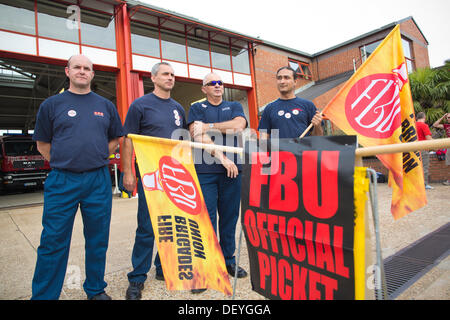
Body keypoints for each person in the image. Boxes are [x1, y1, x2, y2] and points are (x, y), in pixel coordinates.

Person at [31, 54, 124, 300]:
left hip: (98, 181)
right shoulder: (51, 105)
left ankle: (95, 289)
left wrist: (95, 156)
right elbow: (42, 144)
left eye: (87, 68)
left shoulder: (105, 106)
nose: (82, 71)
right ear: (67, 71)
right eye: (77, 67)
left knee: (97, 239)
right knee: (53, 241)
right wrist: (67, 160)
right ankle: (44, 295)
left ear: (93, 74)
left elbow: (116, 139)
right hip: (63, 181)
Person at [122, 62, 187, 300]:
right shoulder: (140, 105)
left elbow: (183, 143)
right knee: (147, 227)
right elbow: (128, 140)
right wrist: (128, 173)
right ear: (153, 78)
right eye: (165, 74)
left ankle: (164, 268)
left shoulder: (178, 108)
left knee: (169, 224)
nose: (170, 78)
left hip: (175, 175)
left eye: (172, 74)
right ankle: (137, 277)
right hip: (150, 175)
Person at [188, 73, 248, 293]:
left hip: (233, 172)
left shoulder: (233, 106)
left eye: (220, 83)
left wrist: (209, 125)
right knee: (207, 220)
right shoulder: (197, 109)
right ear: (204, 88)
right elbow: (197, 135)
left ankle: (228, 261)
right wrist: (223, 158)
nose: (217, 86)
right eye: (212, 83)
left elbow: (239, 126)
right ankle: (206, 268)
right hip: (206, 171)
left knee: (230, 217)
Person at [258, 66, 323, 139]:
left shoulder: (308, 105)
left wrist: (318, 126)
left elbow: (318, 138)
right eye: (279, 78)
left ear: (295, 82)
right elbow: (263, 139)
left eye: (286, 77)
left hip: (301, 150)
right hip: (277, 150)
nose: (282, 81)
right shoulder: (269, 108)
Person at [416, 112, 433, 189]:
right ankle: (424, 184)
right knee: (424, 167)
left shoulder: (412, 125)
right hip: (423, 149)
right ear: (424, 117)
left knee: (416, 167)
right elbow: (428, 138)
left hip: (413, 148)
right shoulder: (424, 125)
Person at [433, 113, 450, 185]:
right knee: (449, 164)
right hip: (449, 146)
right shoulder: (446, 126)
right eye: (448, 118)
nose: (449, 119)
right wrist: (443, 116)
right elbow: (435, 125)